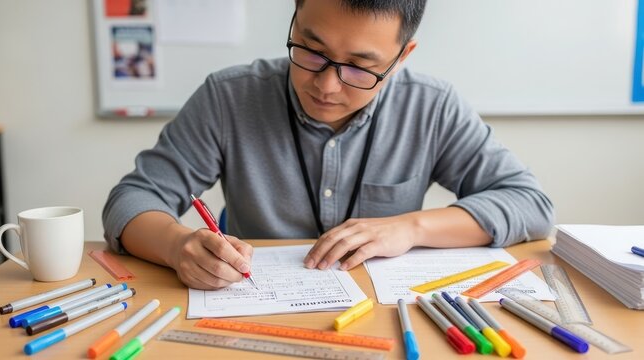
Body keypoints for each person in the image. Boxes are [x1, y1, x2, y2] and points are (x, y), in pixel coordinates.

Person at [103, 0, 554, 290]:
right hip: (251, 307)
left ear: (402, 57)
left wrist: (410, 228)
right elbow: (132, 200)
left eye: (361, 68)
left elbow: (530, 204)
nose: (327, 86)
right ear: (295, 18)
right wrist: (176, 245)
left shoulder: (431, 107)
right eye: (311, 51)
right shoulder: (229, 96)